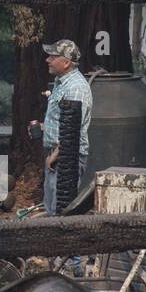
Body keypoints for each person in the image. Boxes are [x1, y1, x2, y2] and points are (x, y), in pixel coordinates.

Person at [39, 38, 91, 216]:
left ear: (66, 62)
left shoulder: (76, 88)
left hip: (66, 156)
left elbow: (72, 129)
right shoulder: (61, 82)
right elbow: (63, 119)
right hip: (57, 155)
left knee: (59, 213)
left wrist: (55, 154)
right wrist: (43, 126)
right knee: (51, 210)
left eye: (53, 57)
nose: (48, 60)